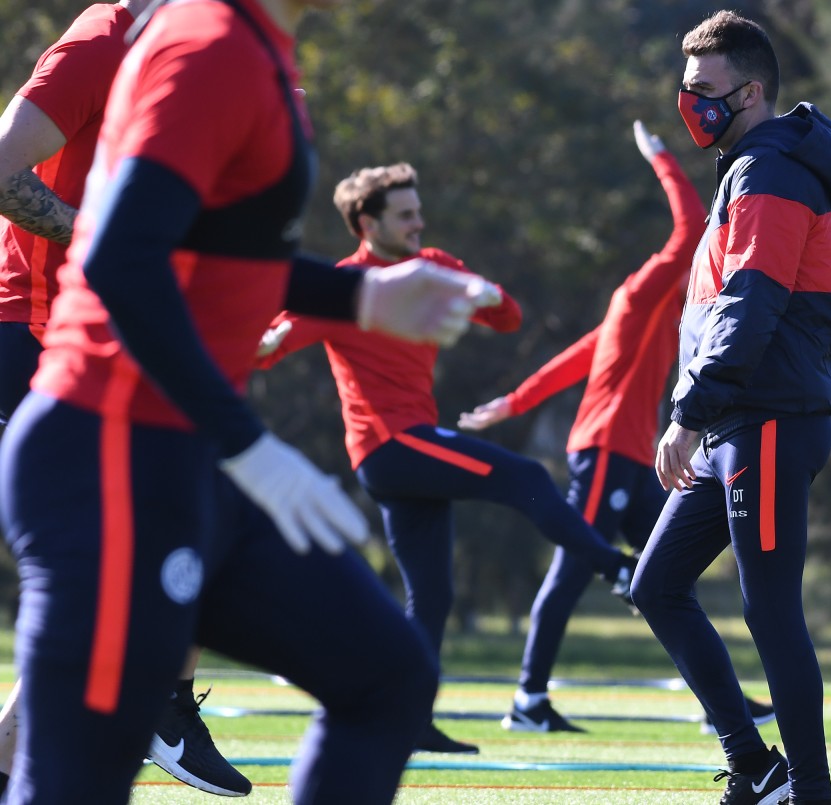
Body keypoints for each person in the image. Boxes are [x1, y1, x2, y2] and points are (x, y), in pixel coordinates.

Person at [0, 0, 493, 799]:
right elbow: (122, 256)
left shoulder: (255, 45)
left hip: (177, 451)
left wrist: (361, 298)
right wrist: (247, 445)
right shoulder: (212, 44)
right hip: (110, 455)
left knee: (387, 676)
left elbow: (213, 255)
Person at [255, 161, 639, 751]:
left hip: (411, 450)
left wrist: (487, 292)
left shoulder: (432, 266)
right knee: (525, 475)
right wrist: (266, 339)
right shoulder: (344, 286)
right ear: (367, 223)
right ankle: (618, 569)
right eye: (405, 215)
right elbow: (267, 349)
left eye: (418, 212)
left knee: (432, 598)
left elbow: (509, 319)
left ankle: (408, 722)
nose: (418, 223)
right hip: (390, 447)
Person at [0, 0, 247, 797]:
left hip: (101, 339)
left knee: (141, 547)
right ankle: (161, 705)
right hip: (33, 337)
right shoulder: (102, 41)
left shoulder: (186, 53)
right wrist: (104, 239)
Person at [461, 121, 773, 737]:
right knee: (573, 569)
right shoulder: (636, 296)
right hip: (604, 451)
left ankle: (722, 706)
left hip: (633, 459)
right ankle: (528, 700)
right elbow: (690, 227)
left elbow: (576, 359)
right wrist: (661, 158)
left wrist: (514, 403)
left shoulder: (655, 317)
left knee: (667, 576)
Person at [629, 11, 831, 805]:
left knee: (770, 611)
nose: (689, 101)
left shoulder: (770, 171)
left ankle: (809, 790)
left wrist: (687, 413)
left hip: (767, 420)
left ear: (751, 91)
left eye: (703, 87)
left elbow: (751, 305)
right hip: (739, 421)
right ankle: (758, 766)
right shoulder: (747, 168)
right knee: (656, 583)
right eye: (685, 85)